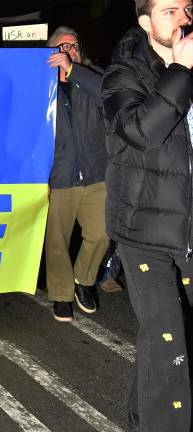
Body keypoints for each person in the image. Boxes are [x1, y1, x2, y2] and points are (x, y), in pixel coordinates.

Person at [102, 0, 193, 430]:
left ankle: (142, 417)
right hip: (144, 230)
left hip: (187, 223)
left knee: (167, 338)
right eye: (169, 12)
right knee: (169, 345)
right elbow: (142, 131)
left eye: (187, 9)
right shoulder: (123, 73)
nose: (183, 20)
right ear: (145, 22)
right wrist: (180, 72)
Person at [44, 26, 109, 322]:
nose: (71, 51)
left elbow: (108, 98)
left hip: (97, 176)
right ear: (50, 53)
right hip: (59, 178)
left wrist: (74, 72)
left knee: (102, 232)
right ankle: (60, 295)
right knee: (56, 240)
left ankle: (84, 279)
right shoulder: (40, 87)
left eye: (75, 46)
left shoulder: (94, 77)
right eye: (63, 47)